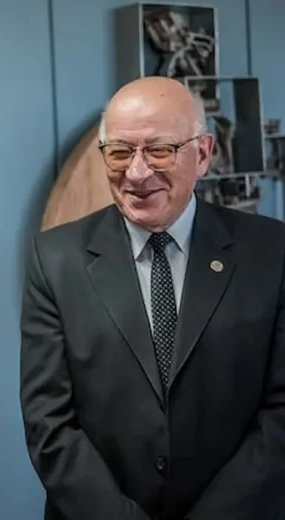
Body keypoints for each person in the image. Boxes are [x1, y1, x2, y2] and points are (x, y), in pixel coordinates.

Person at [20, 76, 285, 520]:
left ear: (203, 154)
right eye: (120, 152)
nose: (138, 172)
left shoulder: (271, 252)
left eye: (160, 150)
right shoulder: (55, 260)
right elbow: (49, 423)